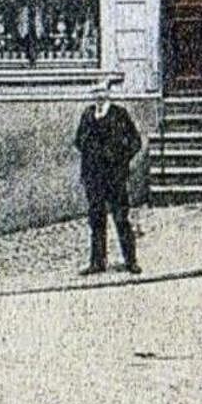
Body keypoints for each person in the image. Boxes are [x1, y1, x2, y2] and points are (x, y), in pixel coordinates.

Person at [73, 82, 143, 276]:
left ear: (109, 93)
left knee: (121, 218)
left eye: (102, 91)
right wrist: (91, 154)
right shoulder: (88, 115)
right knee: (96, 219)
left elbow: (135, 141)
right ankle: (97, 262)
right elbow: (78, 140)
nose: (99, 95)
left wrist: (121, 160)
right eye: (95, 91)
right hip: (93, 176)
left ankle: (131, 261)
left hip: (115, 177)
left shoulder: (119, 114)